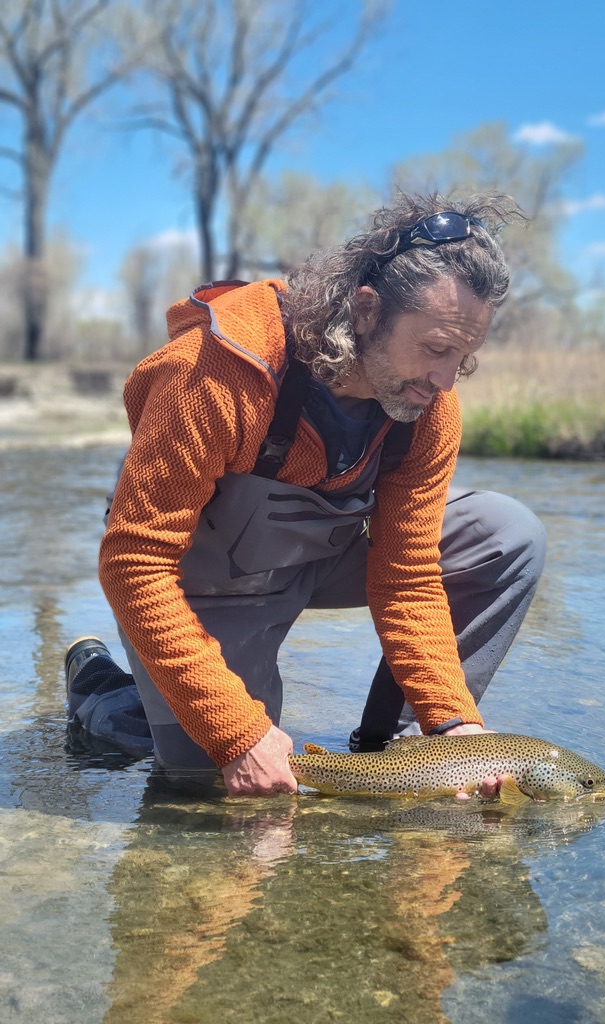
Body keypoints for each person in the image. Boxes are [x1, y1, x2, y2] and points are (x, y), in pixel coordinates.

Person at [65, 191, 547, 798]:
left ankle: (396, 755)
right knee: (207, 779)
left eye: (464, 355)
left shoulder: (428, 408)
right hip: (208, 580)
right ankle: (102, 688)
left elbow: (407, 577)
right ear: (367, 311)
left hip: (319, 560)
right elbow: (134, 563)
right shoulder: (215, 371)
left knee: (508, 534)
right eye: (434, 348)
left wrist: (453, 722)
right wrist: (236, 733)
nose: (446, 380)